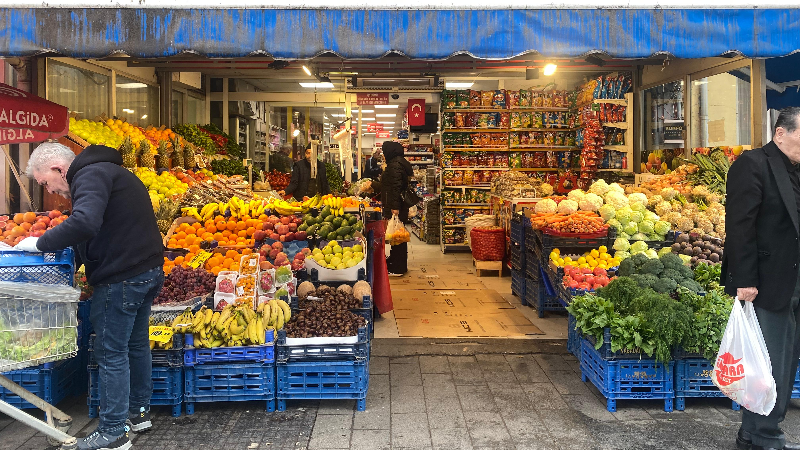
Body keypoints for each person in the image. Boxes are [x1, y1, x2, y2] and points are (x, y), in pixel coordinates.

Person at [18, 143, 164, 450]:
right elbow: (99, 228)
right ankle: (138, 413)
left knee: (111, 352)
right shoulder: (109, 171)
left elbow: (85, 222)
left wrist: (41, 243)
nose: (52, 191)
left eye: (47, 182)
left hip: (122, 278)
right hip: (146, 271)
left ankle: (113, 432)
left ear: (59, 168)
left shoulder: (89, 175)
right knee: (135, 344)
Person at [724, 107, 800, 450]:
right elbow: (740, 226)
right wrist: (744, 279)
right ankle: (765, 433)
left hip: (795, 278)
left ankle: (754, 433)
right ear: (781, 133)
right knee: (768, 362)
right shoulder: (752, 164)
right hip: (768, 281)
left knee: (787, 361)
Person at [379, 141, 413, 276]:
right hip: (399, 206)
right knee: (397, 237)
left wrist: (394, 207)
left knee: (398, 237)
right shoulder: (399, 162)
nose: (383, 153)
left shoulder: (395, 165)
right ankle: (396, 263)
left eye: (384, 150)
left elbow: (395, 187)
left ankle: (397, 267)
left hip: (397, 207)